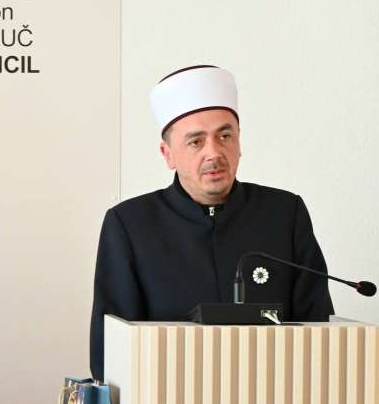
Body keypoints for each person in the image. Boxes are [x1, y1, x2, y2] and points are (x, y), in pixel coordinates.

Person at [90, 65, 334, 380]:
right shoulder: (129, 224)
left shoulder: (285, 213)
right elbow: (109, 353)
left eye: (225, 136)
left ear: (239, 142)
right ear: (168, 154)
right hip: (168, 401)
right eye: (196, 142)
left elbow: (320, 332)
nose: (214, 153)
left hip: (278, 397)